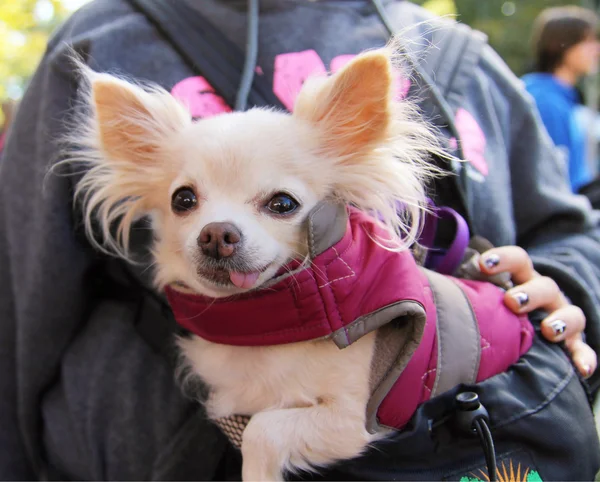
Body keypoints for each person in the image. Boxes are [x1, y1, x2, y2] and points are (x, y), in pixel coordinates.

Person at [0, 0, 599, 479]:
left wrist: (564, 289)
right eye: (188, 200)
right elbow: (16, 309)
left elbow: (572, 232)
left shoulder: (459, 55)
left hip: (480, 446)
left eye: (280, 203)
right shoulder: (101, 38)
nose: (217, 231)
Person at [522, 5, 600, 193]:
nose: (596, 49)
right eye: (587, 41)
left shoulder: (562, 98)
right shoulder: (544, 101)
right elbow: (550, 184)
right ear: (562, 45)